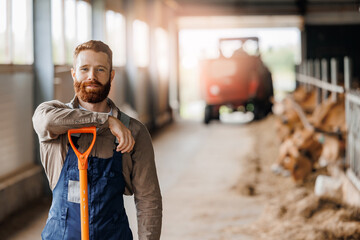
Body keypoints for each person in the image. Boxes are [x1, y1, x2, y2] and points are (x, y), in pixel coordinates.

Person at [33, 40, 162, 240]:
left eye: (100, 69)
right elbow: (45, 122)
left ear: (111, 75)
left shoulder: (134, 131)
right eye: (84, 69)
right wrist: (106, 121)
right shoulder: (52, 115)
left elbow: (148, 199)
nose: (92, 76)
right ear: (73, 73)